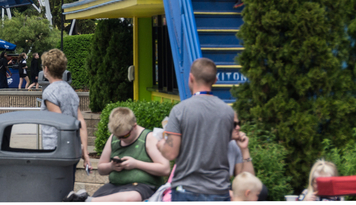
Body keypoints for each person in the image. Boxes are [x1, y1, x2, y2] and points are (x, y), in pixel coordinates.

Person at [157, 58, 236, 201]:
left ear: (191, 78)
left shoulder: (180, 110)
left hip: (187, 190)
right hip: (219, 190)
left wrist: (161, 144)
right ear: (215, 80)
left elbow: (170, 153)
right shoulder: (228, 112)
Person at [72, 106, 170, 202]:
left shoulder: (148, 138)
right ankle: (88, 200)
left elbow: (165, 169)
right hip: (115, 187)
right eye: (118, 136)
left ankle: (88, 201)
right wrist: (111, 166)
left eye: (125, 135)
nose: (121, 139)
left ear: (134, 126)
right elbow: (101, 168)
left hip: (143, 187)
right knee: (105, 195)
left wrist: (136, 164)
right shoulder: (113, 138)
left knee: (131, 198)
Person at [41, 49, 92, 176]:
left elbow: (61, 123)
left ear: (46, 69)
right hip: (72, 149)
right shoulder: (71, 91)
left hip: (55, 150)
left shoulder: (49, 92)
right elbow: (81, 122)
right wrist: (84, 151)